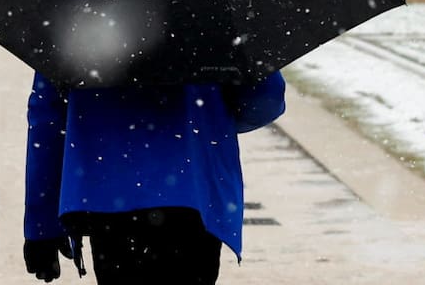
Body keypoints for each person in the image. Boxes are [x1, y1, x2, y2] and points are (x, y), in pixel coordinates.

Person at [22, 71, 286, 283]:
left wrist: (42, 227)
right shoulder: (211, 9)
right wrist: (214, 116)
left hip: (110, 194)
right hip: (193, 193)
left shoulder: (72, 10)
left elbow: (48, 116)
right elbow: (267, 96)